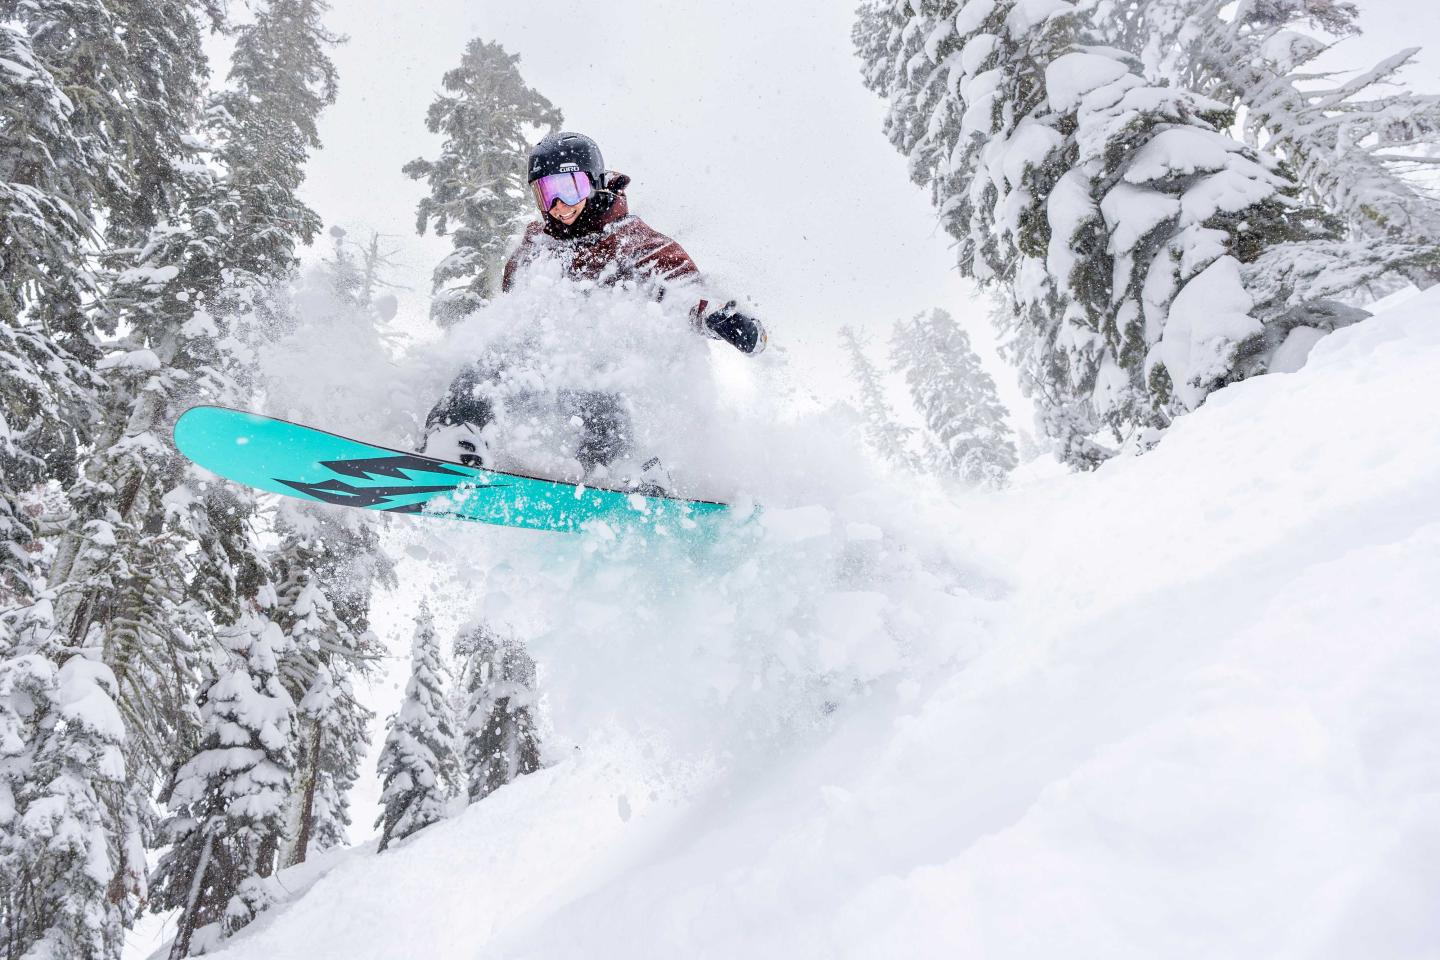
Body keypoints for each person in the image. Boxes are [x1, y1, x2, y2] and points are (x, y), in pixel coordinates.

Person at [422, 131, 767, 490]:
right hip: (535, 370)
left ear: (594, 183)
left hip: (599, 371)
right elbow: (511, 312)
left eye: (569, 188)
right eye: (546, 193)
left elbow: (683, 288)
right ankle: (455, 439)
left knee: (601, 392)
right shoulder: (534, 245)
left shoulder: (630, 239)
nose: (559, 205)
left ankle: (619, 472)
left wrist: (721, 318)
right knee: (490, 362)